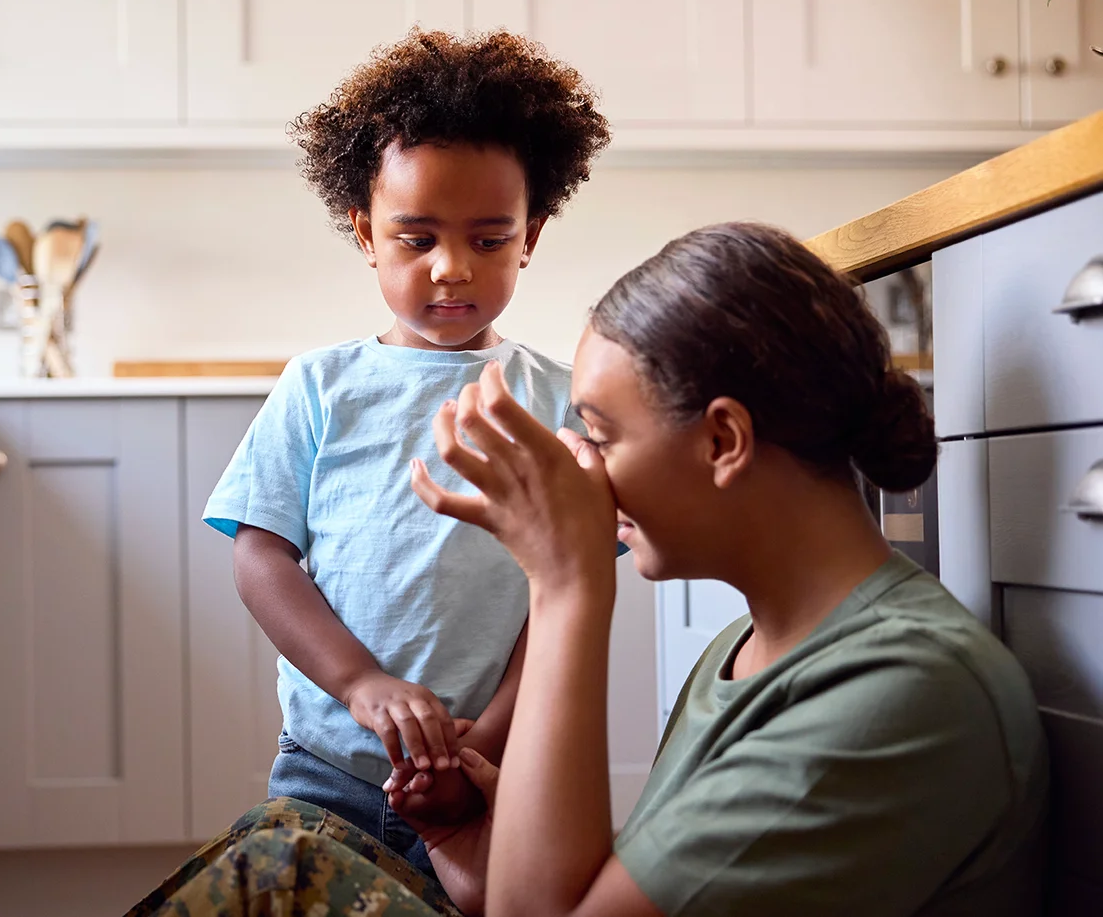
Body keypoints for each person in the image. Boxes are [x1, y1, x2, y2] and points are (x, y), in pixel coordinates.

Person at [132, 222, 1047, 917]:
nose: (580, 465)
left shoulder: (898, 692)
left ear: (722, 439)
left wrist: (568, 584)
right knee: (279, 839)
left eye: (598, 435)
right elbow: (589, 887)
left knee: (276, 871)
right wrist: (472, 836)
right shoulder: (745, 647)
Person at [200, 28, 610, 874]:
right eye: (416, 238)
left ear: (530, 234)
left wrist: (489, 734)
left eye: (489, 239)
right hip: (326, 769)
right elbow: (260, 556)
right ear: (365, 232)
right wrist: (360, 684)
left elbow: (570, 587)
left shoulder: (564, 398)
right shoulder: (319, 385)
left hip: (498, 765)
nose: (451, 268)